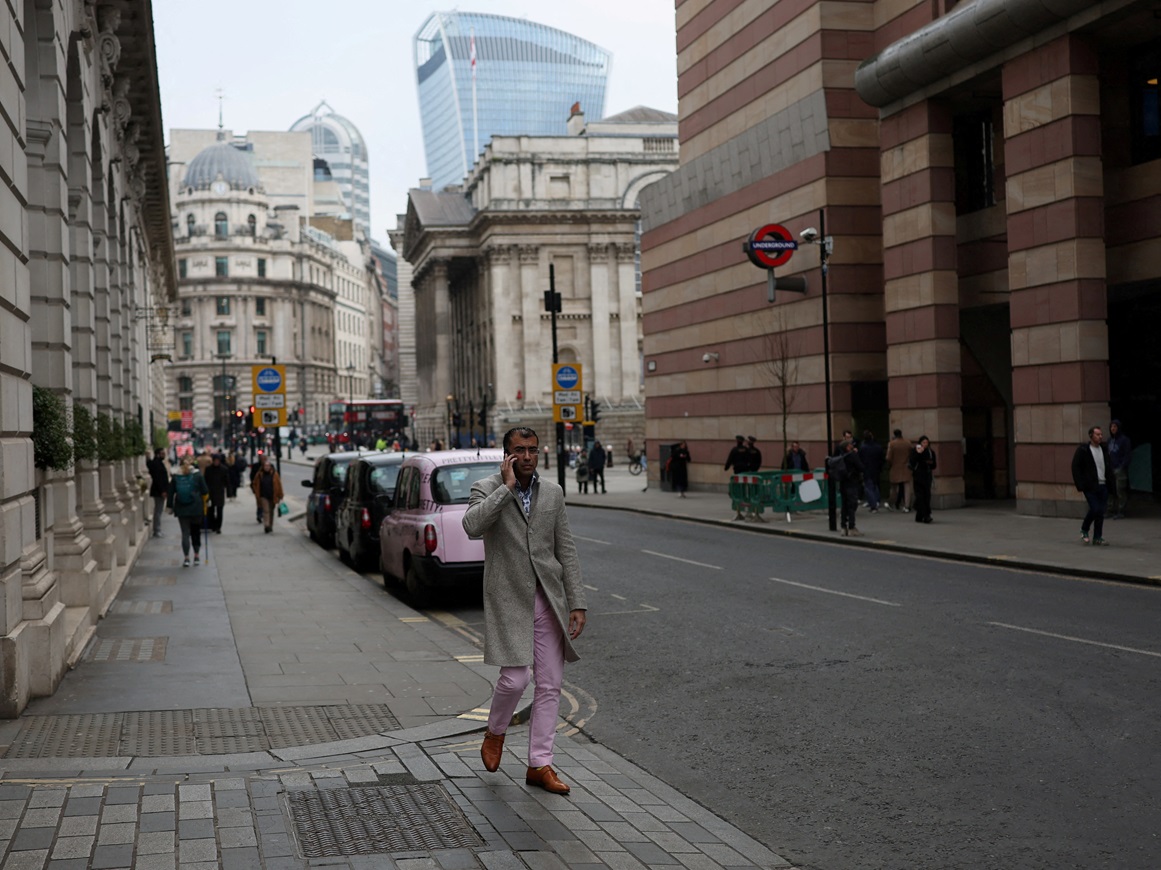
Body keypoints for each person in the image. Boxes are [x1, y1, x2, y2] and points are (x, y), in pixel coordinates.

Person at [463, 427, 587, 795]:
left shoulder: (553, 493)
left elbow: (566, 549)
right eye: (520, 450)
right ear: (507, 455)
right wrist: (505, 488)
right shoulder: (486, 488)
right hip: (508, 598)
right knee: (515, 680)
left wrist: (576, 600)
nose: (528, 456)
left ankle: (539, 764)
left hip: (548, 597)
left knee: (550, 684)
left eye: (533, 450)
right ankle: (495, 731)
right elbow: (472, 526)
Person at [1071, 426, 1116, 546]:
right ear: (1091, 436)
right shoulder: (1083, 450)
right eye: (1097, 434)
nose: (1100, 436)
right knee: (1095, 508)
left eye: (1101, 434)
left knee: (1100, 512)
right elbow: (1075, 467)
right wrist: (1080, 484)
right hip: (1090, 486)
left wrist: (1111, 482)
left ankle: (1097, 537)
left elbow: (1108, 467)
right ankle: (1084, 529)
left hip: (1103, 484)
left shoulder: (1104, 449)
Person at [167, 459, 208, 567]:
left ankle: (186, 558)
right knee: (195, 532)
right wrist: (206, 502)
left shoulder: (176, 477)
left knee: (185, 533)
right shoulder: (197, 475)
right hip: (196, 508)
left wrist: (169, 506)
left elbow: (170, 492)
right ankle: (197, 556)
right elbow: (205, 491)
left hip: (182, 509)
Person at [834, 439, 864, 535]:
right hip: (852, 482)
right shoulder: (852, 456)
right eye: (850, 445)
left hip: (843, 483)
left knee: (844, 505)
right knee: (852, 505)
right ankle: (851, 527)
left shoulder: (841, 456)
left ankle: (843, 527)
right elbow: (861, 467)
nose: (852, 445)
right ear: (847, 447)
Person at [908, 435, 937, 524]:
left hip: (927, 476)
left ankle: (920, 515)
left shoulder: (930, 452)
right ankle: (926, 515)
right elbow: (912, 461)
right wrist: (918, 453)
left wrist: (930, 463)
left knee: (926, 496)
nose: (925, 444)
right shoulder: (916, 451)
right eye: (923, 442)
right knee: (920, 496)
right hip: (918, 476)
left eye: (926, 442)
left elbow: (934, 465)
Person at [250, 455, 284, 533]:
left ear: (270, 467)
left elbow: (279, 485)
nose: (267, 467)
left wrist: (280, 495)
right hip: (263, 495)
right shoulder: (259, 474)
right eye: (265, 466)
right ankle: (266, 525)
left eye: (268, 466)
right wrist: (256, 491)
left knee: (271, 511)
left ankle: (270, 525)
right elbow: (255, 483)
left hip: (273, 495)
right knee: (266, 510)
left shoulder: (275, 475)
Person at [1107, 419, 1131, 518]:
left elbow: (1127, 454)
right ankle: (1110, 510)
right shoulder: (1109, 440)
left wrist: (1122, 466)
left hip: (1119, 468)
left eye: (1115, 427)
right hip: (1110, 468)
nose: (1113, 428)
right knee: (1111, 490)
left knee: (1120, 490)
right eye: (1112, 426)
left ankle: (1121, 511)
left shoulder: (1124, 440)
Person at [886, 429, 913, 512]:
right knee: (907, 486)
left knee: (894, 487)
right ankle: (907, 506)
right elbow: (911, 454)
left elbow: (888, 457)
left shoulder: (892, 444)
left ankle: (891, 502)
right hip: (906, 466)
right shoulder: (908, 443)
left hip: (895, 466)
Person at [146, 448, 169, 538]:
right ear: (158, 454)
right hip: (159, 491)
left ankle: (157, 529)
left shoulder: (157, 463)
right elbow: (158, 479)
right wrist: (163, 491)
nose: (164, 455)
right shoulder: (157, 464)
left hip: (159, 490)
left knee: (158, 510)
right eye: (162, 453)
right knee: (158, 511)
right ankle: (157, 530)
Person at [859, 430, 885, 513]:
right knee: (875, 485)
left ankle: (873, 505)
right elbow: (882, 459)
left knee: (868, 487)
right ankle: (877, 501)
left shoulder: (863, 448)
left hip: (867, 469)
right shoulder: (878, 447)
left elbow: (861, 459)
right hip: (876, 469)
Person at [203, 454, 229, 534]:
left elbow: (227, 481)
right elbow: (205, 480)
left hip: (220, 493)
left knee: (219, 510)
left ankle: (218, 526)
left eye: (218, 461)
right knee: (210, 510)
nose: (216, 462)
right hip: (210, 492)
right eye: (215, 460)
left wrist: (229, 492)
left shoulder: (224, 469)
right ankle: (213, 525)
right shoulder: (208, 469)